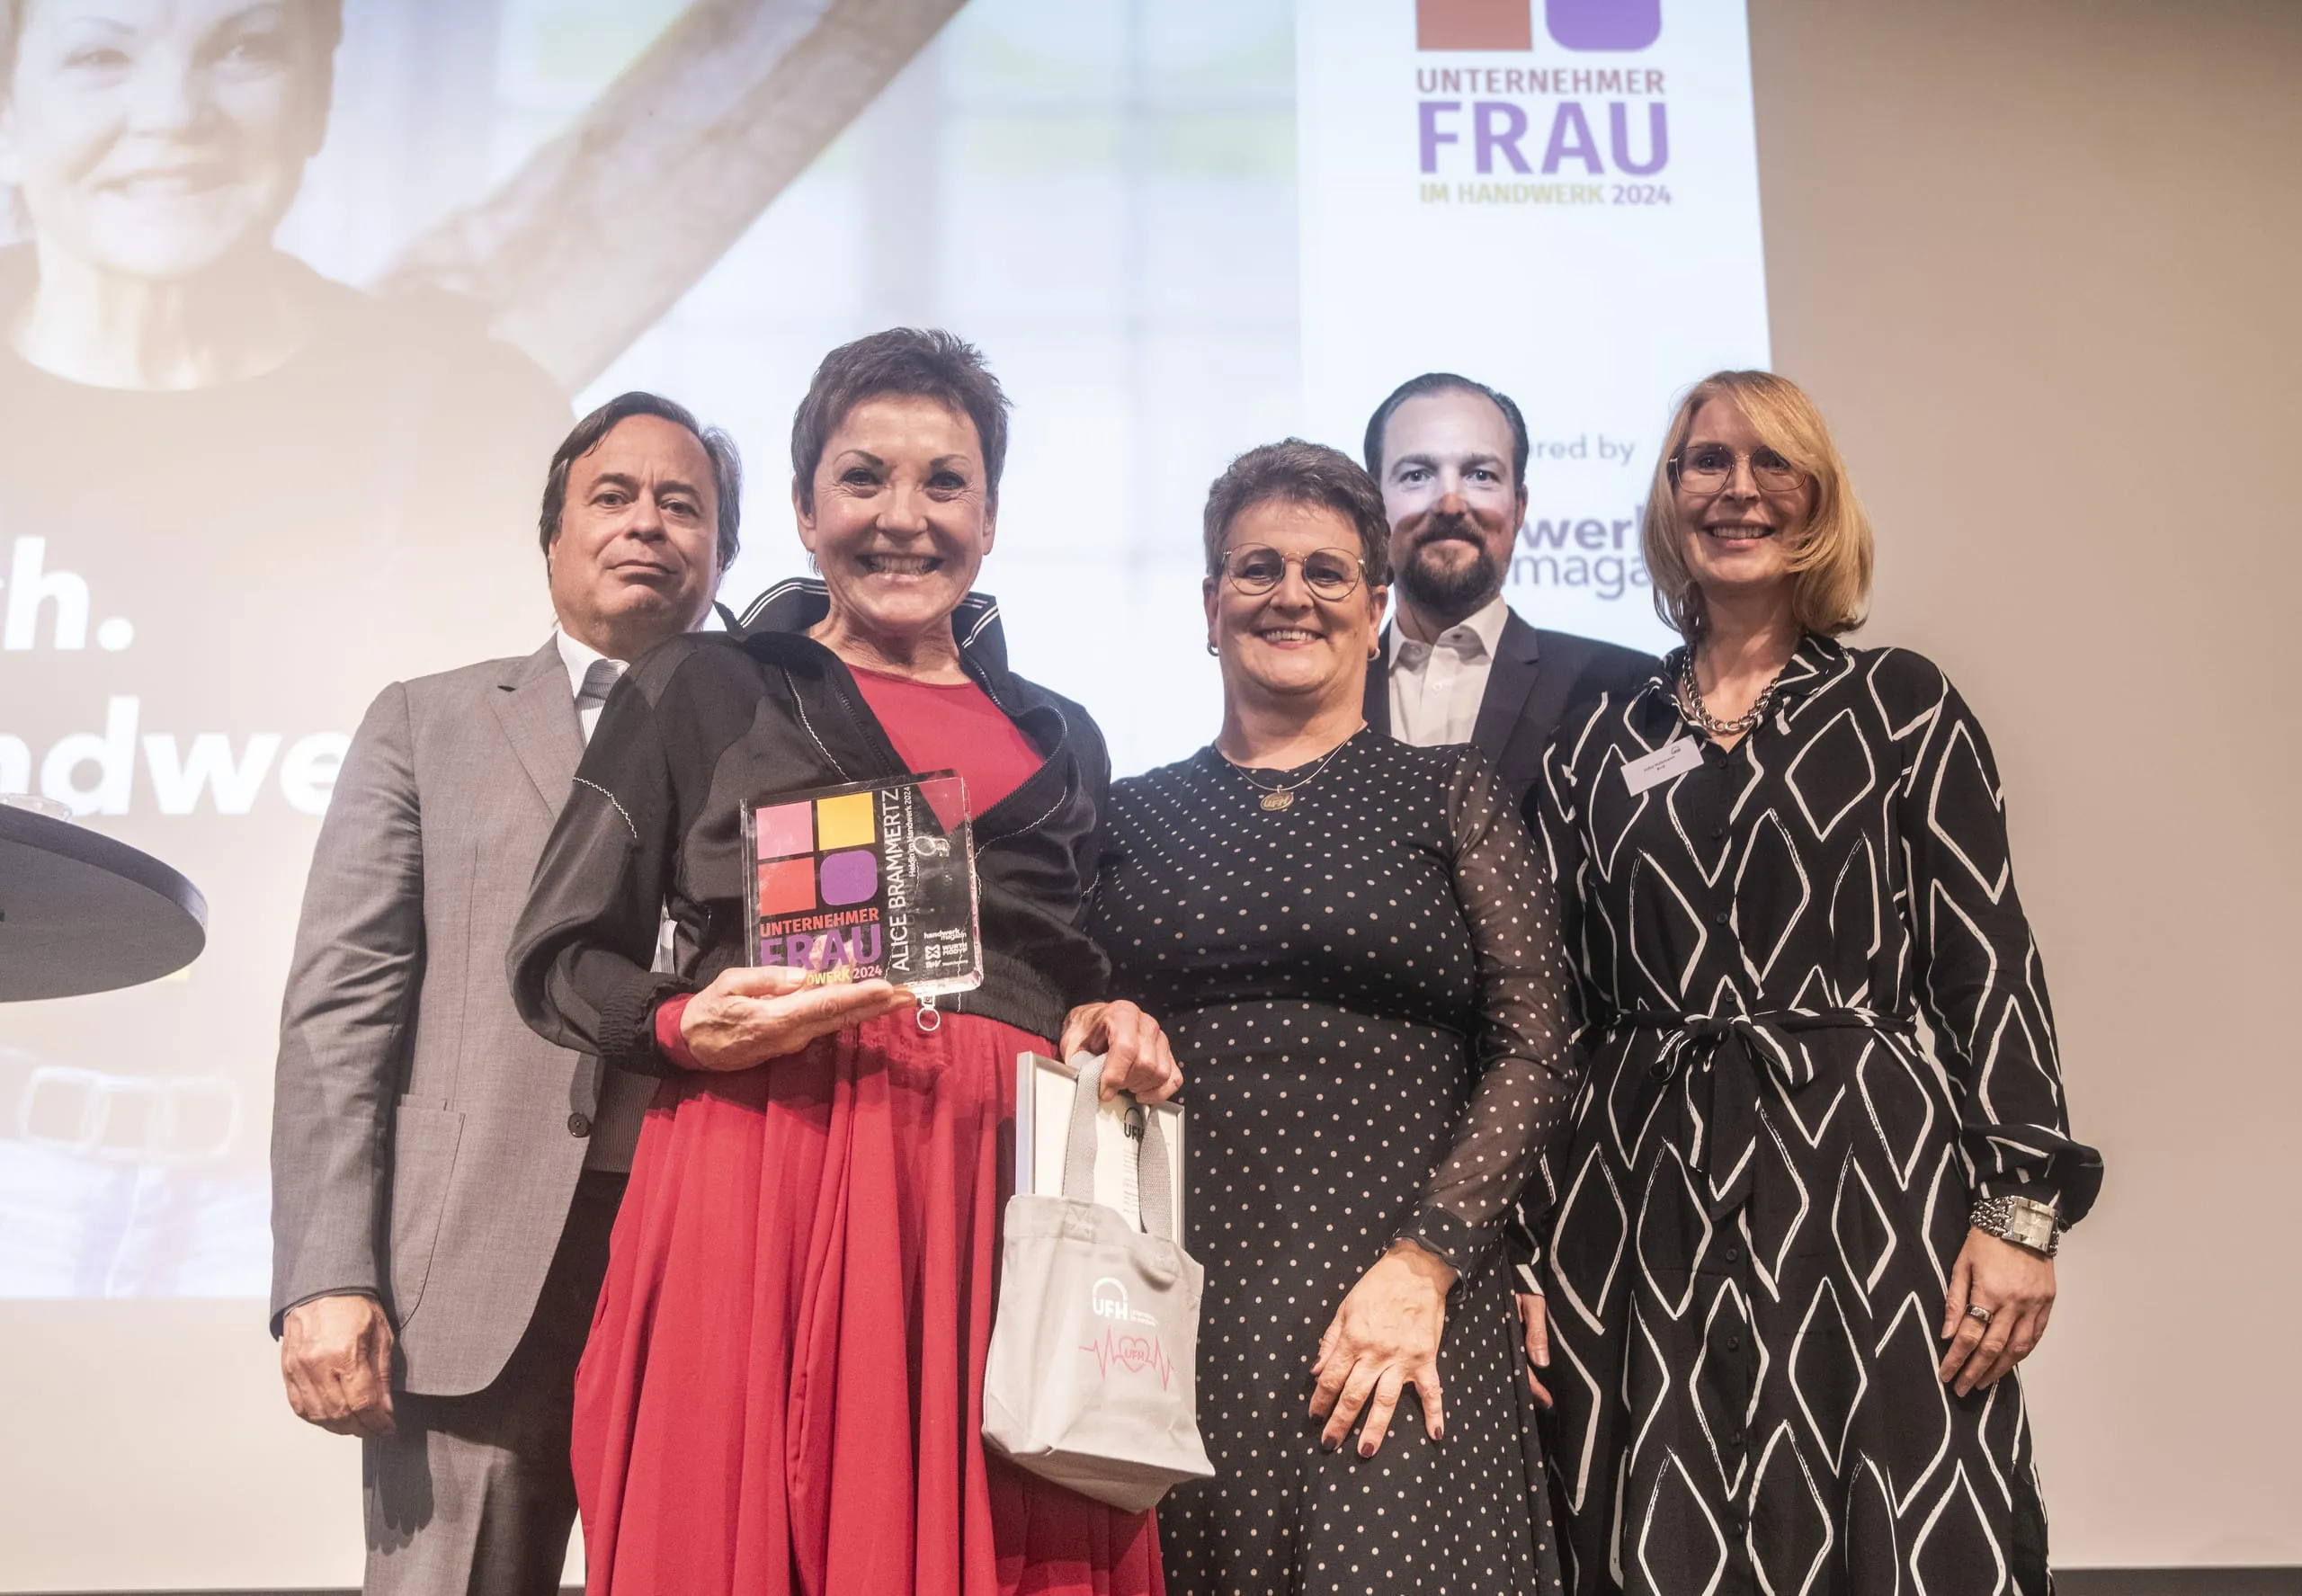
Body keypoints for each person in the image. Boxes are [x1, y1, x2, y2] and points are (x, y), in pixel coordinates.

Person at [506, 327, 1180, 1596]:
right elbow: (558, 953)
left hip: (999, 1198)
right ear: (808, 513)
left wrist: (1113, 1015)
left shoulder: (1064, 735)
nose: (903, 518)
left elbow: (1081, 966)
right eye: (863, 479)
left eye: (945, 482)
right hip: (766, 1172)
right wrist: (679, 1025)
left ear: (989, 514)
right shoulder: (704, 685)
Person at [0, 0, 569, 1294]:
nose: (171, 113)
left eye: (241, 49)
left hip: (314, 1192)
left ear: (318, 92)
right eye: (100, 53)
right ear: (8, 98)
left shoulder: (474, 414)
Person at [1521, 370, 2101, 1593]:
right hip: (1636, 1195)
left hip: (1868, 1180)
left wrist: (2020, 1215)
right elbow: (1555, 1011)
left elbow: (1987, 965)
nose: (1736, 489)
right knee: (1660, 1522)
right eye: (1703, 462)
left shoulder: (1903, 708)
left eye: (1768, 462)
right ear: (1668, 497)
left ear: (1819, 497)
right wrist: (1525, 1249)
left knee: (1895, 1506)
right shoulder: (1597, 736)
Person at [1085, 440, 1580, 1595]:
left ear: (1376, 610)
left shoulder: (1447, 792)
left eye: (1326, 571)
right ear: (1210, 607)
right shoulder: (1123, 818)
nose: (1289, 595)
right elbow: (1059, 1020)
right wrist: (1092, 1015)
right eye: (1256, 568)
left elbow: (1535, 1042)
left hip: (1405, 1302)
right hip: (1169, 1316)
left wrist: (1430, 1259)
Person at [269, 393, 739, 1593]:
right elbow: (342, 1014)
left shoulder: (781, 736)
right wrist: (328, 1272)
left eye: (683, 504)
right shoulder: (427, 723)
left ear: (723, 552)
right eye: (614, 496)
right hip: (473, 1271)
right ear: (553, 539)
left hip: (712, 1242)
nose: (648, 524)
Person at [1361, 372, 1656, 799]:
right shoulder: (1318, 693)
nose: (1450, 503)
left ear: (1519, 508)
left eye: (1480, 474)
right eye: (1416, 475)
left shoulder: (1625, 689)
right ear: (1373, 507)